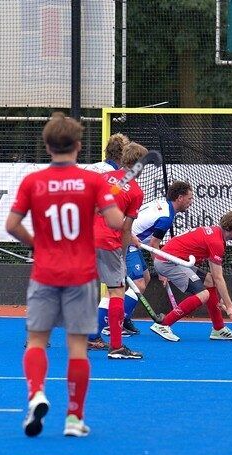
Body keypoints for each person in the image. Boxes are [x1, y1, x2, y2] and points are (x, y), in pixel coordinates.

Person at [6, 112, 124, 438]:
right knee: (77, 348)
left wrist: (38, 244)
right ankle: (74, 418)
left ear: (47, 146)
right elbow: (115, 222)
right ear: (79, 145)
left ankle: (36, 395)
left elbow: (11, 225)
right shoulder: (94, 182)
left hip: (45, 271)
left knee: (37, 341)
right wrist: (113, 200)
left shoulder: (33, 182)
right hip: (81, 275)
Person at [150, 211, 232, 342]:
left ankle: (219, 329)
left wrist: (225, 299)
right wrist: (230, 307)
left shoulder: (215, 233)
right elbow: (219, 277)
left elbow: (215, 278)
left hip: (175, 260)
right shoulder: (216, 242)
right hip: (168, 262)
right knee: (203, 294)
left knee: (210, 281)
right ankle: (164, 324)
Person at [88, 141, 145, 359]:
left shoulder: (103, 178)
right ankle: (117, 346)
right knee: (116, 292)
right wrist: (122, 256)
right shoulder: (136, 191)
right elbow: (126, 228)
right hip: (109, 243)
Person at [122, 180, 194, 328]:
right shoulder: (166, 218)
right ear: (180, 198)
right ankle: (116, 322)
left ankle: (125, 317)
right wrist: (162, 271)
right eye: (189, 198)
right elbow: (153, 244)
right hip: (125, 241)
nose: (190, 202)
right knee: (138, 284)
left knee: (146, 277)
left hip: (133, 242)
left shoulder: (163, 204)